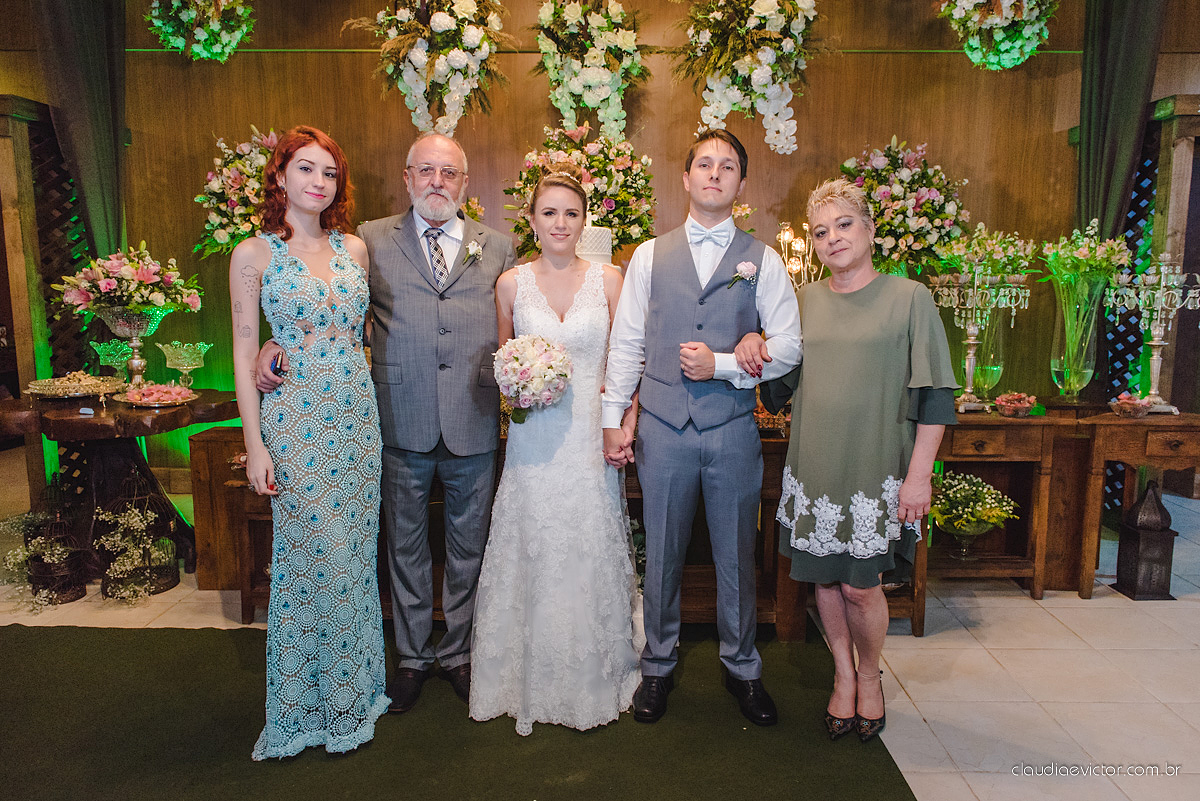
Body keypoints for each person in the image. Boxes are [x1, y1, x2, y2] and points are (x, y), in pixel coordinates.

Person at [256, 132, 517, 714]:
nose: (437, 182)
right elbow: (331, 302)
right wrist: (272, 340)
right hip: (395, 419)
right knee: (404, 545)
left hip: (474, 417)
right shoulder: (368, 240)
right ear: (407, 177)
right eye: (425, 171)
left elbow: (518, 325)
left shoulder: (499, 247)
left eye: (449, 173)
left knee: (469, 545)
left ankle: (458, 653)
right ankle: (412, 657)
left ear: (465, 182)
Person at [740, 178, 957, 742]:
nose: (831, 238)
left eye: (843, 225)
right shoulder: (803, 301)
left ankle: (870, 676)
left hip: (877, 469)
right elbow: (775, 389)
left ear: (869, 230)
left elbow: (936, 399)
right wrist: (752, 346)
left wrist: (919, 479)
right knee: (826, 585)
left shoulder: (911, 298)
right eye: (819, 231)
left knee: (863, 587)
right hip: (816, 466)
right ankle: (841, 673)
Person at [601, 129, 802, 727]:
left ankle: (742, 667)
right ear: (686, 179)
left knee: (737, 553)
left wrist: (724, 364)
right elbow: (628, 341)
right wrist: (614, 418)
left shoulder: (762, 260)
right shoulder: (648, 255)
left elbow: (790, 345)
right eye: (705, 165)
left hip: (733, 428)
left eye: (729, 166)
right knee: (659, 550)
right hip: (662, 426)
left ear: (741, 184)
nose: (716, 173)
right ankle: (657, 666)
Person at [231, 125, 389, 760]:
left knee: (352, 556)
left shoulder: (356, 248)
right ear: (280, 177)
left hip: (357, 418)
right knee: (311, 558)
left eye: (328, 172)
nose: (318, 182)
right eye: (306, 169)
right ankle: (305, 707)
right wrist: (256, 446)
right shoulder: (254, 254)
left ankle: (356, 692)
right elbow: (246, 348)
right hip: (295, 422)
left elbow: (362, 334)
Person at [470, 164, 640, 735]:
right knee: (534, 543)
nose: (560, 222)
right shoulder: (511, 285)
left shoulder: (611, 281)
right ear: (532, 222)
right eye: (549, 212)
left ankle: (597, 671)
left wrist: (624, 423)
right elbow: (502, 360)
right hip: (534, 438)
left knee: (589, 543)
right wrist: (519, 382)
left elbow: (627, 364)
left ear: (584, 220)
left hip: (592, 438)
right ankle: (523, 676)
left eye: (571, 212)